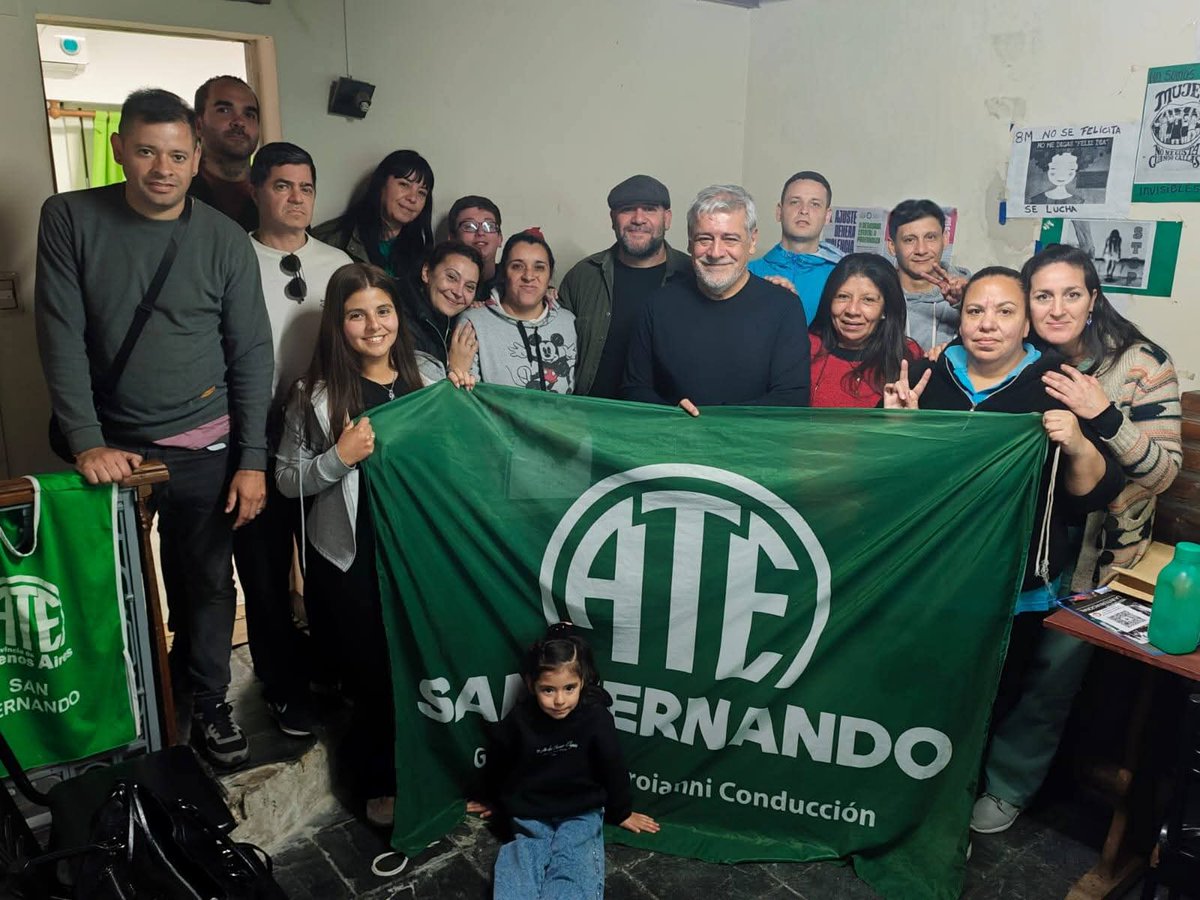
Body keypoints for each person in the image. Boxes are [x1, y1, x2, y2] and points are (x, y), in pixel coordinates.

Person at [35, 88, 273, 768]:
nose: (161, 168)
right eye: (146, 151)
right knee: (108, 585)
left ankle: (209, 702)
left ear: (198, 156)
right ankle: (126, 703)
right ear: (119, 148)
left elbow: (250, 352)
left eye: (176, 154)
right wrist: (84, 440)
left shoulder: (225, 238)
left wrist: (251, 460)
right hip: (114, 450)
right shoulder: (70, 218)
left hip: (208, 446)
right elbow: (60, 334)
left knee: (205, 583)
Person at [883, 266, 1123, 838]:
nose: (987, 324)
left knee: (991, 692)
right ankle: (907, 789)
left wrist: (1078, 441)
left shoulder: (1054, 382)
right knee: (924, 683)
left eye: (1004, 311)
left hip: (1013, 576)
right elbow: (893, 480)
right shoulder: (924, 374)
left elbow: (1096, 491)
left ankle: (960, 803)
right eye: (974, 311)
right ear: (959, 317)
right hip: (934, 569)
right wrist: (897, 427)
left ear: (1026, 324)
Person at [961, 245, 1184, 836]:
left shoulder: (1141, 364)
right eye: (1042, 296)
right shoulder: (1021, 358)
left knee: (1048, 681)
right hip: (1014, 552)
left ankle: (1008, 787)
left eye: (1071, 294)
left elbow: (1164, 473)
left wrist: (1103, 414)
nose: (1056, 308)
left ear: (1092, 301)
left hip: (1097, 559)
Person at [275, 262, 429, 827]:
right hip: (352, 557)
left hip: (417, 551)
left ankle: (429, 769)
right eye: (357, 315)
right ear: (338, 326)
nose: (373, 326)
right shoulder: (312, 395)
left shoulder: (428, 380)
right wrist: (339, 458)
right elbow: (288, 481)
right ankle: (377, 782)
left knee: (418, 664)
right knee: (371, 674)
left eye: (383, 311)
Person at [239, 141, 352, 734]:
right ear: (256, 190)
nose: (296, 197)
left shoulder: (336, 262)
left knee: (329, 561)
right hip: (254, 430)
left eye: (305, 187)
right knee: (262, 568)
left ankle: (330, 672)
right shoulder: (231, 255)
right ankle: (282, 685)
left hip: (325, 428)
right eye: (282, 185)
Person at [467, 623, 659, 899]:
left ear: (583, 682)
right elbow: (499, 761)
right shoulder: (519, 720)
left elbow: (613, 767)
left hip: (581, 809)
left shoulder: (597, 717)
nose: (560, 700)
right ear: (532, 684)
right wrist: (490, 798)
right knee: (523, 857)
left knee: (576, 861)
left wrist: (621, 811)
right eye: (548, 690)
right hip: (531, 809)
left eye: (570, 688)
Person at [622, 184, 809, 413]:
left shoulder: (784, 308)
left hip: (752, 447)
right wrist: (673, 413)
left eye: (730, 239)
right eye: (704, 239)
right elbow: (633, 388)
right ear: (690, 242)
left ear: (752, 241)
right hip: (673, 443)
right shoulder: (657, 306)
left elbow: (792, 397)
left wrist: (714, 421)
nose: (716, 252)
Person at [558, 175, 692, 398]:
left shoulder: (692, 275)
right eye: (627, 209)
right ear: (613, 218)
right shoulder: (583, 275)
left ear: (667, 219)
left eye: (649, 209)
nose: (638, 219)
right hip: (588, 419)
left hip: (666, 420)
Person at [458, 229, 577, 393]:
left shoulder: (569, 322)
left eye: (539, 267)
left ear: (549, 276)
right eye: (517, 266)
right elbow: (466, 394)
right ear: (503, 273)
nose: (529, 276)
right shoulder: (474, 322)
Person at [312, 149, 434, 301]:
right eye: (404, 184)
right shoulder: (333, 238)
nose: (413, 198)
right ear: (381, 185)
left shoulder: (423, 253)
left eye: (422, 193)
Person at [808, 253, 922, 408]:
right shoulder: (806, 346)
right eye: (842, 296)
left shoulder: (907, 355)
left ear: (885, 309)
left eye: (868, 300)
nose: (852, 310)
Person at [748, 170, 845, 324]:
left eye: (815, 204)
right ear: (779, 212)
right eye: (795, 202)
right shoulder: (748, 273)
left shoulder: (842, 277)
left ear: (827, 216)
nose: (804, 211)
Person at [885, 199, 970, 352]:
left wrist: (965, 303)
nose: (921, 250)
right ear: (892, 246)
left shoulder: (970, 290)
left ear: (945, 239)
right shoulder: (876, 295)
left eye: (930, 237)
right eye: (909, 240)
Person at [189, 75, 260, 230]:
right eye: (224, 110)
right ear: (198, 125)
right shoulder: (175, 191)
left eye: (249, 114)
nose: (239, 122)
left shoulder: (277, 195)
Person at [408, 241, 483, 380]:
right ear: (426, 273)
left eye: (470, 287)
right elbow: (420, 394)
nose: (459, 292)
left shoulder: (462, 320)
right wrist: (456, 371)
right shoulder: (400, 318)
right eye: (451, 277)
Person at [447, 195, 503, 300]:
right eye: (469, 226)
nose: (480, 233)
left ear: (500, 238)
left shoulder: (512, 283)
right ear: (452, 238)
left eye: (489, 226)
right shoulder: (443, 287)